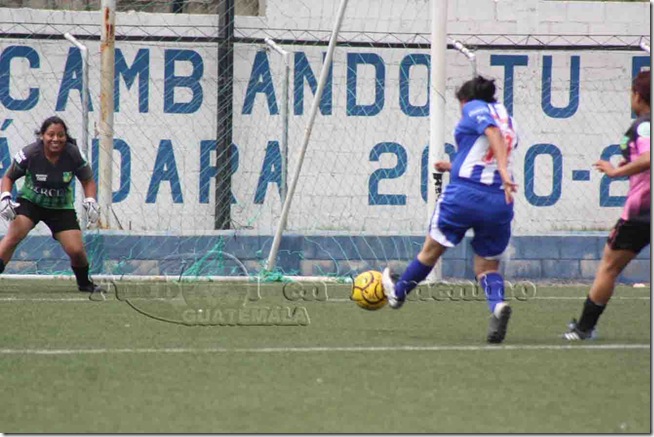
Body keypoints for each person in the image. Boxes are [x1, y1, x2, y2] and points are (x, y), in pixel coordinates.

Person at [382, 75, 519, 344]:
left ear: (466, 100)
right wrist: (453, 166)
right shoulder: (509, 118)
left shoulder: (475, 108)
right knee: (487, 266)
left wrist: (503, 170)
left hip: (465, 195)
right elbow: (484, 154)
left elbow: (490, 133)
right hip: (498, 200)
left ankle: (398, 294)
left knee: (430, 252)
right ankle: (497, 305)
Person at [563, 71, 650, 341]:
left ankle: (584, 329)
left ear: (638, 95)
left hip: (641, 213)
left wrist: (616, 172)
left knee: (609, 268)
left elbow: (649, 156)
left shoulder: (645, 125)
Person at [0, 116, 103, 292]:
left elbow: (88, 180)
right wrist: (5, 197)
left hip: (61, 207)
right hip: (31, 203)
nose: (56, 139)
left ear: (65, 136)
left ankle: (84, 283)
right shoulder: (30, 153)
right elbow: (9, 176)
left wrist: (91, 200)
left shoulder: (74, 154)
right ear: (42, 136)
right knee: (13, 238)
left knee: (76, 250)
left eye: (60, 135)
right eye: (51, 135)